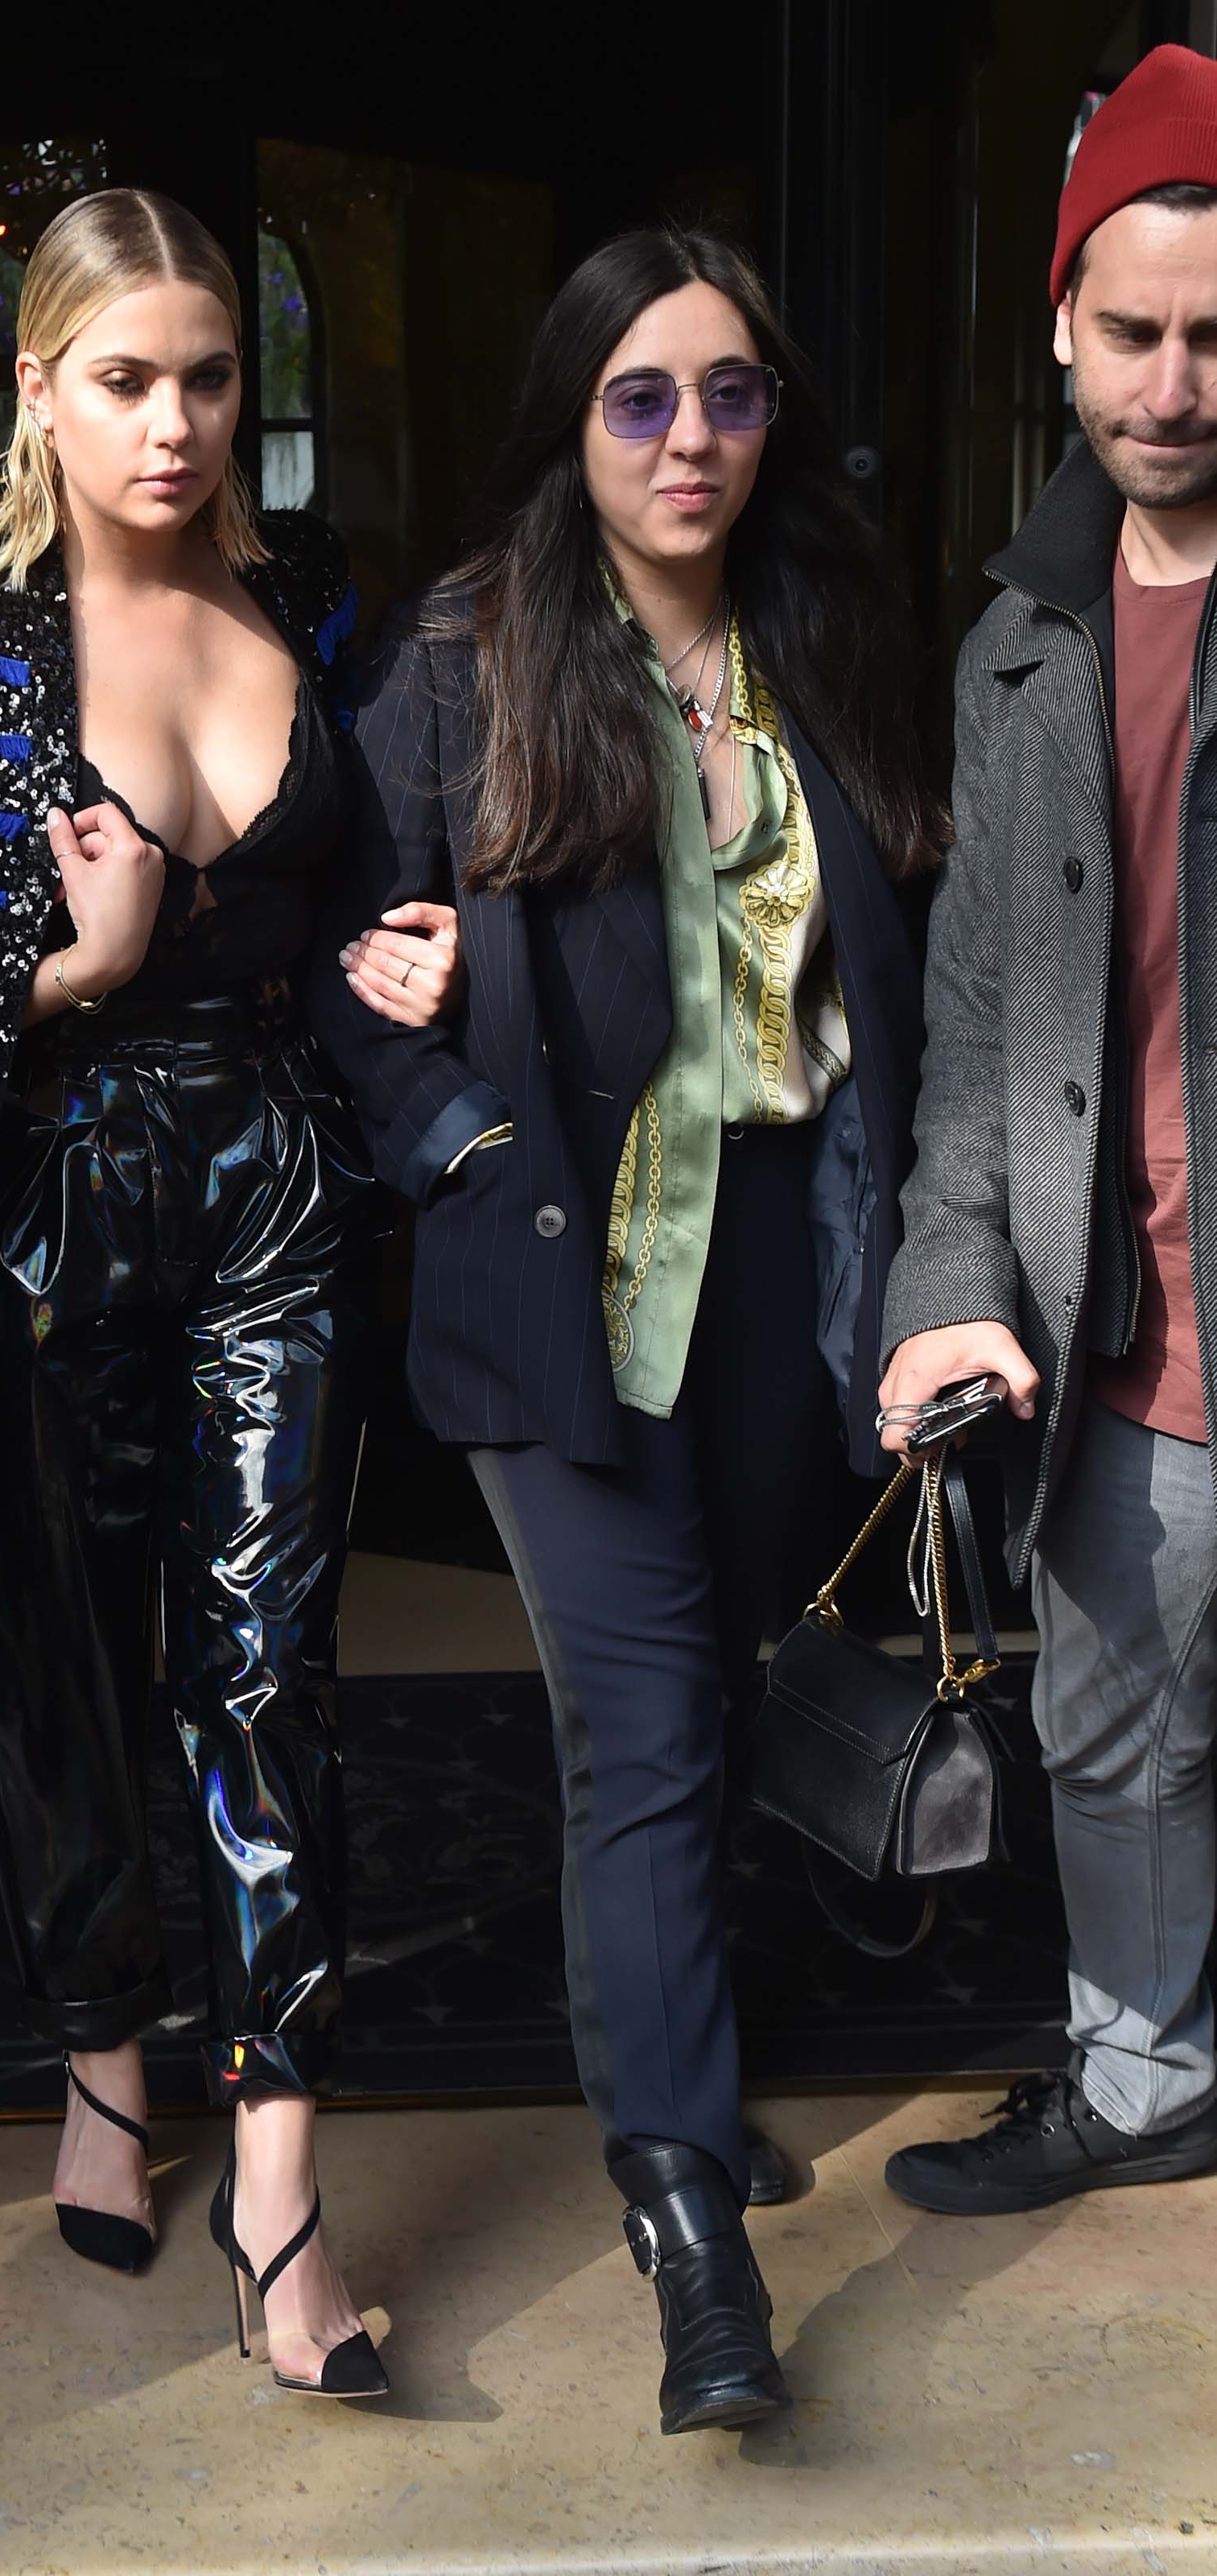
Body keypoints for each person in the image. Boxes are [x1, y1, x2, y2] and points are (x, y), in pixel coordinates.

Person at [0, 188, 461, 2401]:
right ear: (35, 388)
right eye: (122, 379)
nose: (171, 425)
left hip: (274, 1198)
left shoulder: (309, 602)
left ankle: (274, 2188)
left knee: (264, 1681)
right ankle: (97, 2059)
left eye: (208, 378)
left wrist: (390, 954)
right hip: (25, 1206)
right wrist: (56, 974)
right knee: (53, 1675)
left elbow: (364, 883)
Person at [318, 225, 937, 2435]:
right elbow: (338, 957)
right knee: (644, 1728)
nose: (689, 440)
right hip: (559, 1278)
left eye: (731, 394)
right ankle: (690, 2230)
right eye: (640, 397)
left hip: (792, 1260)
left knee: (728, 1671)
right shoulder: (466, 658)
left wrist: (926, 1279)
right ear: (571, 417)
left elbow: (897, 968)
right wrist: (458, 1129)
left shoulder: (829, 634)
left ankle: (663, 2060)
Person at [879, 44, 1217, 2215]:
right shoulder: (1013, 645)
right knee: (1104, 1739)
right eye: (1131, 332)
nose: (1173, 383)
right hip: (1114, 1337)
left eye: (1215, 333)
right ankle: (1141, 2082)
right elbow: (967, 1035)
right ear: (1056, 327)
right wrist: (940, 1295)